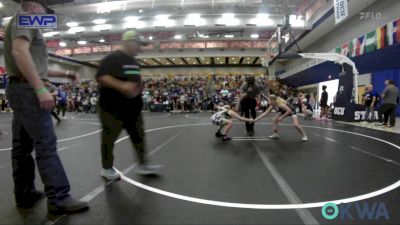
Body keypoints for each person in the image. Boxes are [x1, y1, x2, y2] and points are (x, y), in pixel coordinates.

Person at [3, 0, 88, 213]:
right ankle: (59, 198)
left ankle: (25, 194)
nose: (45, 14)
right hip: (27, 91)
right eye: (44, 9)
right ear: (34, 7)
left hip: (18, 88)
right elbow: (20, 53)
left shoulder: (17, 21)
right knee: (46, 144)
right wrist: (40, 88)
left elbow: (35, 63)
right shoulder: (26, 20)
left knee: (21, 147)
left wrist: (65, 74)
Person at [96, 30, 161, 180]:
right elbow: (101, 76)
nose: (140, 48)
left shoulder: (134, 61)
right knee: (109, 139)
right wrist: (122, 86)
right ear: (128, 42)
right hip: (112, 109)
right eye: (138, 44)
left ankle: (143, 165)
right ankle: (106, 169)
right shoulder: (112, 58)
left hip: (132, 109)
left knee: (139, 136)